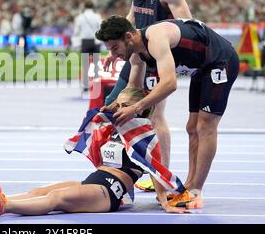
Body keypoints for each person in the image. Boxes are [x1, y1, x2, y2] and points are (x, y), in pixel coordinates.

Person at [0, 87, 189, 217]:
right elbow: (93, 126)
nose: (116, 107)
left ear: (137, 108)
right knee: (40, 190)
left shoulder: (144, 136)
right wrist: (107, 112)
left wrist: (165, 201)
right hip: (93, 181)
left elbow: (155, 170)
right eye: (116, 103)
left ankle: (4, 205)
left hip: (108, 191)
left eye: (122, 105)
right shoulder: (115, 127)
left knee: (55, 199)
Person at [95, 16, 239, 209]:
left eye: (114, 48)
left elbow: (170, 84)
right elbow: (132, 87)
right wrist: (118, 104)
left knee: (205, 126)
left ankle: (195, 191)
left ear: (128, 37)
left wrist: (136, 108)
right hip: (200, 68)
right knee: (191, 128)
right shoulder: (136, 54)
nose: (114, 54)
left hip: (220, 61)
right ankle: (189, 185)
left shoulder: (156, 38)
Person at [104, 0, 192, 192]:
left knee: (156, 116)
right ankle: (125, 168)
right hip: (135, 56)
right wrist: (116, 46)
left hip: (157, 60)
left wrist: (170, 62)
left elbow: (189, 27)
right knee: (113, 105)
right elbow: (131, 19)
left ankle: (162, 176)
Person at [73, 0, 103, 94]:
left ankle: (85, 86)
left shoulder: (80, 17)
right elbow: (101, 28)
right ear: (93, 7)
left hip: (85, 41)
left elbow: (76, 31)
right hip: (95, 41)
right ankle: (96, 85)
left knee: (85, 65)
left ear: (84, 7)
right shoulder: (97, 16)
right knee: (96, 65)